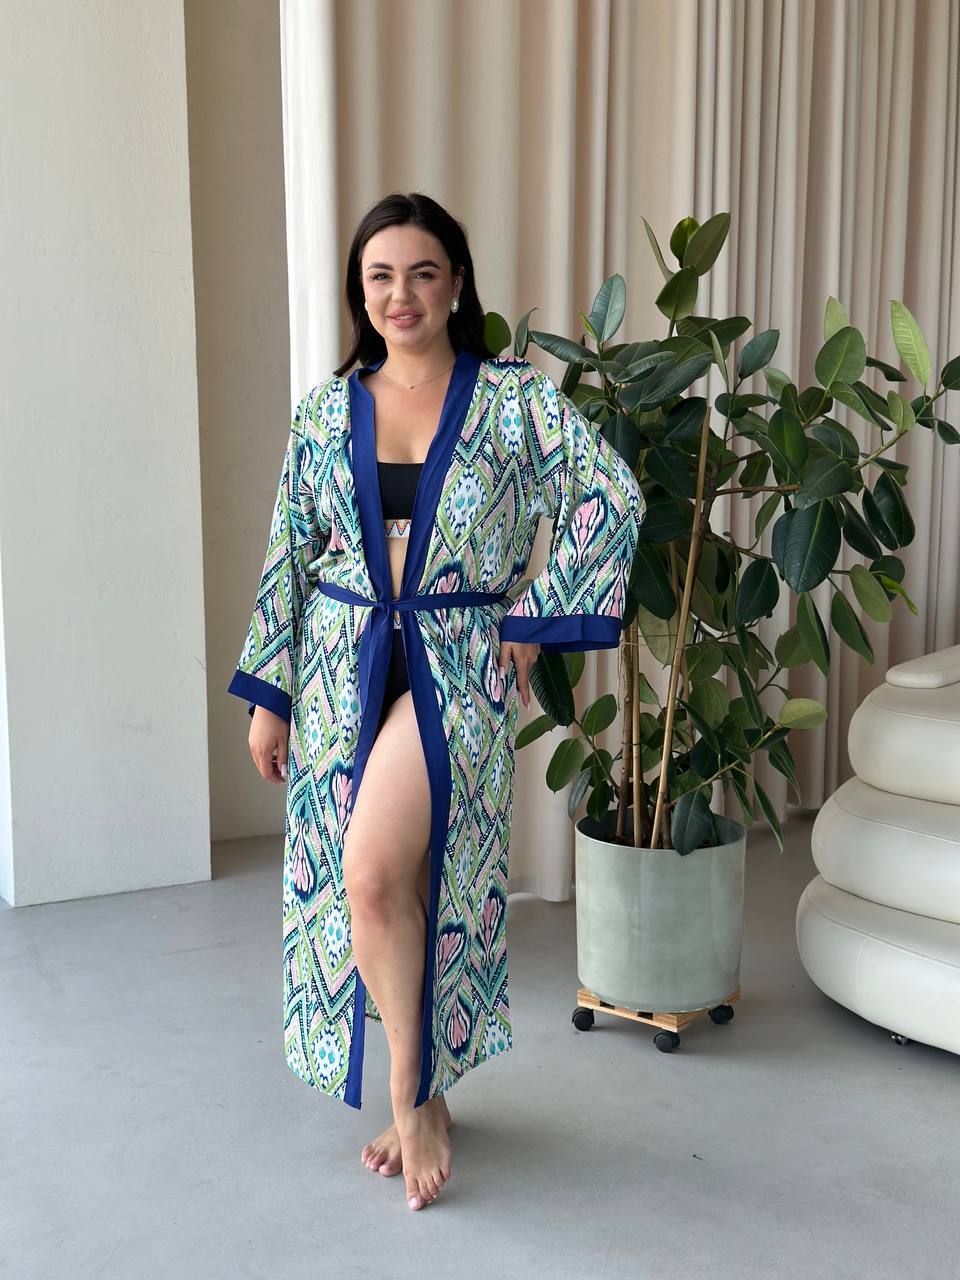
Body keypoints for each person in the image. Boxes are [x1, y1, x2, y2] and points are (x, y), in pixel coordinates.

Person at [227, 192, 645, 1212]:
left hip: (456, 665)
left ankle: (408, 1096)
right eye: (380, 275)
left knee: (376, 874)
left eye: (422, 272)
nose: (400, 294)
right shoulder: (326, 411)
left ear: (456, 281)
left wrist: (535, 612)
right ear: (359, 291)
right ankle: (434, 1090)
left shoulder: (512, 399)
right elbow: (291, 553)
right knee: (390, 886)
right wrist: (271, 694)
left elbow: (612, 495)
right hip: (341, 665)